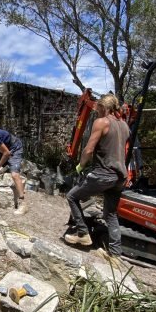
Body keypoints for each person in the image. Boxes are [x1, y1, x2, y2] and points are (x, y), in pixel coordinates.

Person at [63, 94, 130, 267]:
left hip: (103, 174)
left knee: (72, 196)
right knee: (111, 213)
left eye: (98, 108)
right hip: (119, 177)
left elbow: (88, 149)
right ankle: (115, 255)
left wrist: (80, 165)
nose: (96, 111)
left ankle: (83, 234)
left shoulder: (102, 122)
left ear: (103, 107)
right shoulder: (124, 125)